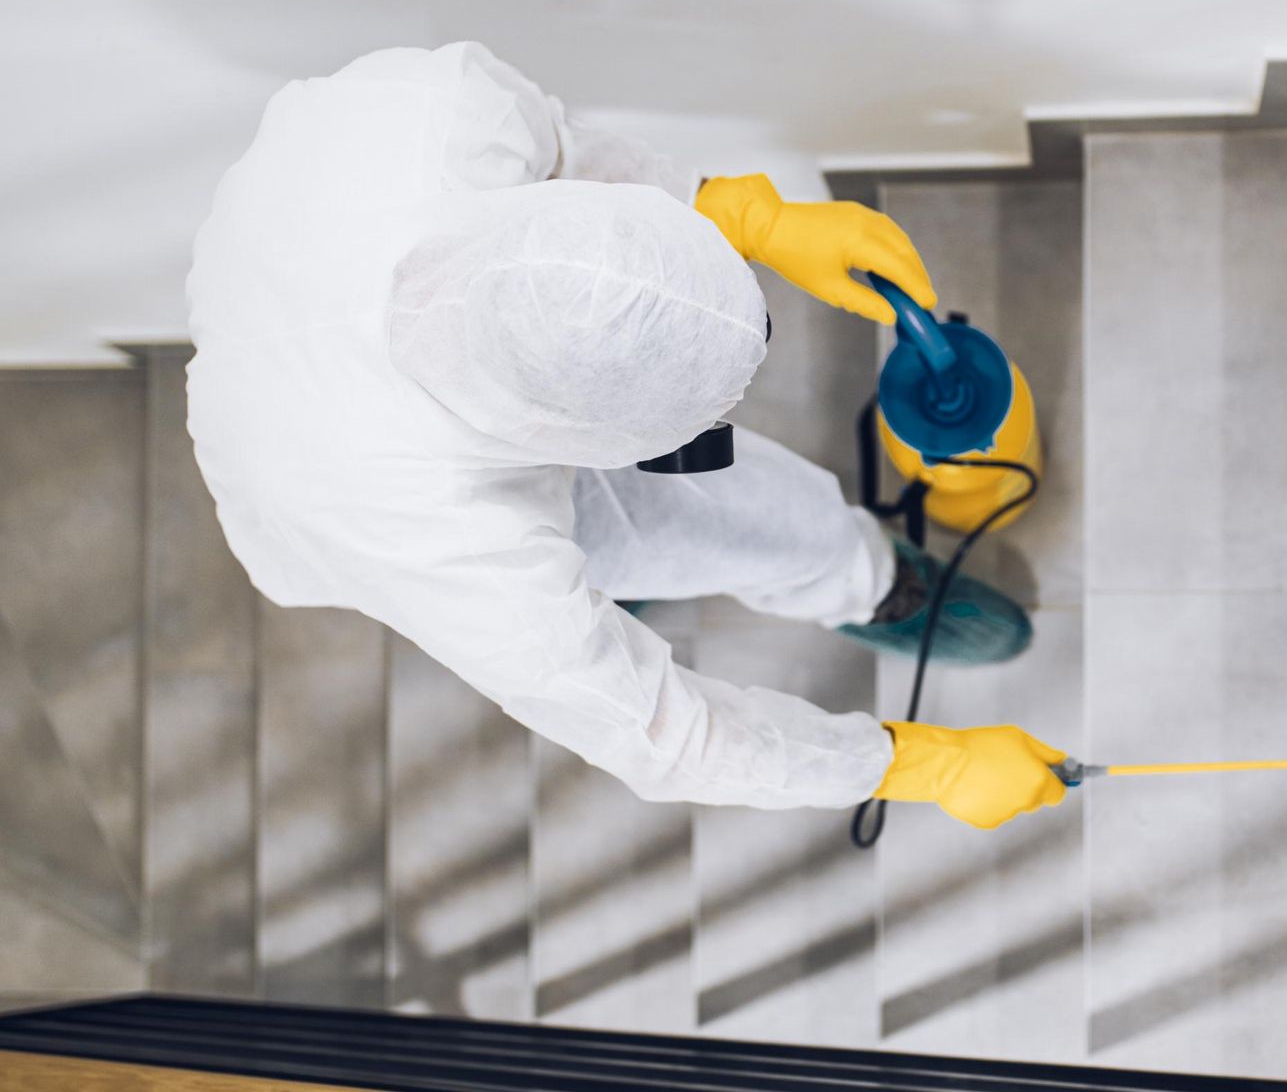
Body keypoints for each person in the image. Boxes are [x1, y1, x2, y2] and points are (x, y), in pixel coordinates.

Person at [185, 41, 1065, 829]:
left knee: (746, 519)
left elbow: (563, 156)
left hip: (305, 301)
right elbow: (666, 737)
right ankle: (657, 582)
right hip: (309, 466)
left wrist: (741, 216)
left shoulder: (438, 110)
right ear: (582, 439)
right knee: (620, 547)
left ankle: (865, 581)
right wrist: (919, 765)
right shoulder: (460, 549)